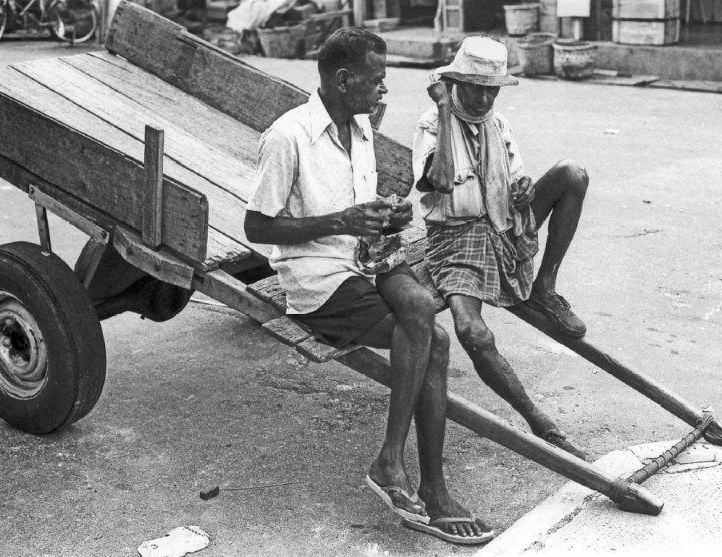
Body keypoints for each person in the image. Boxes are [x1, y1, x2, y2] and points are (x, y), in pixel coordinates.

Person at [244, 28, 493, 544]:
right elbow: (258, 228)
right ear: (342, 79)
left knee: (420, 312)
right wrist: (342, 220)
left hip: (367, 260)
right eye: (375, 79)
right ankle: (421, 480)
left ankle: (397, 465)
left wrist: (387, 216)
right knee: (436, 341)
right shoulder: (288, 137)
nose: (383, 89)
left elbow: (361, 213)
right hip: (319, 278)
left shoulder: (360, 130)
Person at [412, 36, 588, 460]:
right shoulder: (432, 122)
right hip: (455, 239)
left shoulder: (499, 123)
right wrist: (442, 109)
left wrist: (523, 192)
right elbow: (438, 181)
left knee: (571, 174)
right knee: (473, 331)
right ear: (456, 82)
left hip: (503, 227)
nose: (486, 96)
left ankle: (545, 286)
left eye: (493, 88)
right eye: (477, 87)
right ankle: (538, 420)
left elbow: (515, 184)